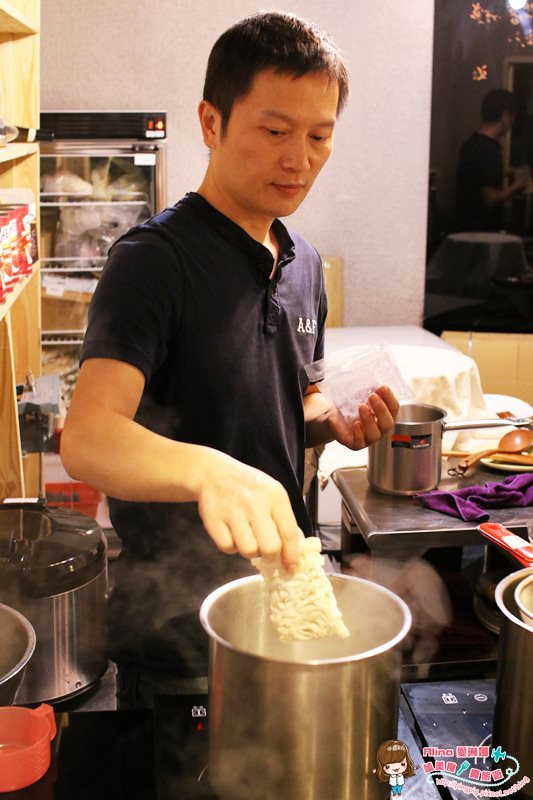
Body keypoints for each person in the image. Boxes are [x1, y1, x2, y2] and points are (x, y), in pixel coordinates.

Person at [60, 10, 399, 709]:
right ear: (211, 123)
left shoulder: (303, 264)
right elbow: (89, 438)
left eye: (319, 136)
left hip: (280, 597)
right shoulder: (154, 263)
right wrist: (212, 470)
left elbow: (292, 397)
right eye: (275, 131)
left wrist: (331, 422)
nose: (297, 158)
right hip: (179, 634)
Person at [456, 88, 527, 232]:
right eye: (512, 118)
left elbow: (480, 175)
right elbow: (490, 199)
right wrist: (518, 185)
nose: (511, 124)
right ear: (506, 116)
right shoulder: (489, 149)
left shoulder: (471, 143)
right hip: (483, 232)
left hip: (466, 228)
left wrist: (510, 172)